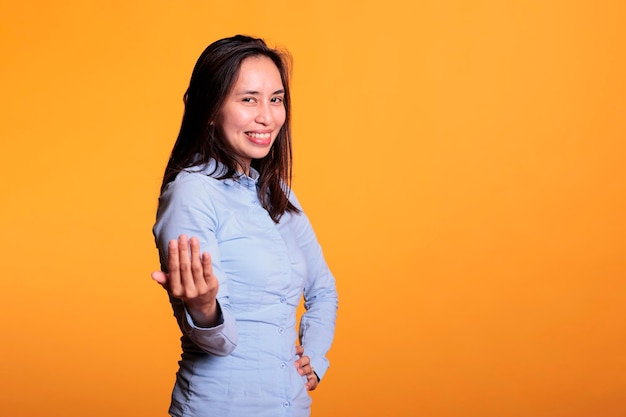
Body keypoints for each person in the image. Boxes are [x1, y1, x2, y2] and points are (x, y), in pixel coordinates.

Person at [151, 35, 338, 417]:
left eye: (276, 99)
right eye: (248, 99)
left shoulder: (278, 194)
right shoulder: (191, 193)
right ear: (210, 108)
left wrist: (315, 356)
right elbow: (219, 343)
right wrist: (204, 310)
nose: (267, 117)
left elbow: (324, 289)